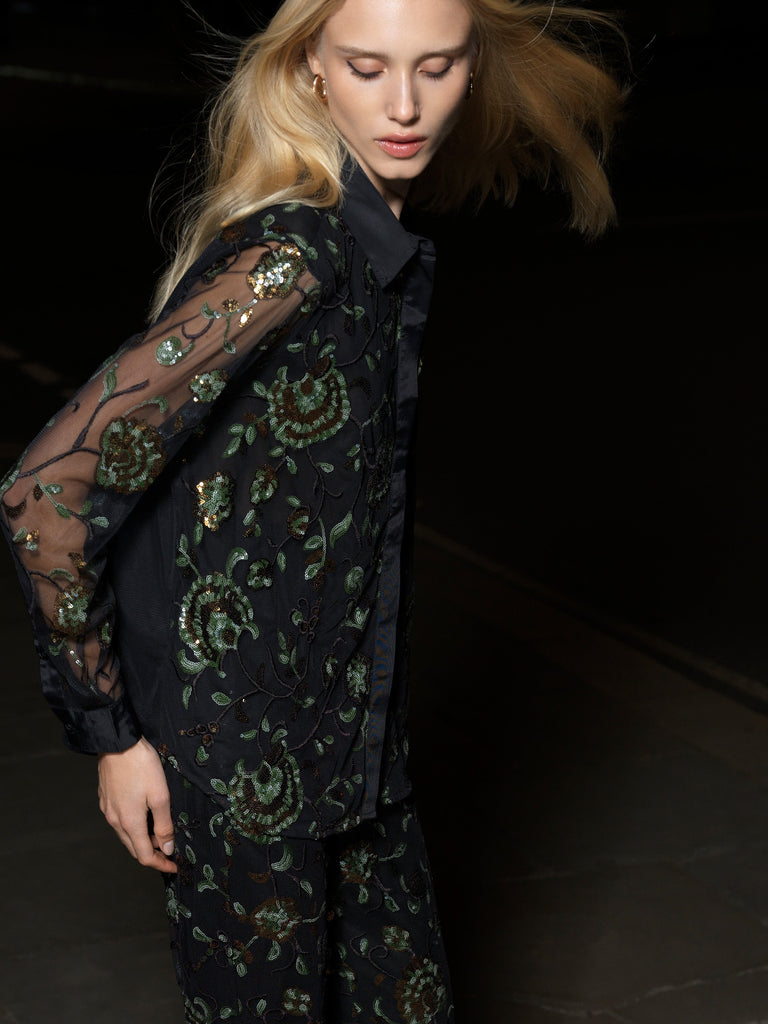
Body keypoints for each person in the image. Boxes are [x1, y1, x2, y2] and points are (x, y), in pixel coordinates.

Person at [0, 0, 623, 1019]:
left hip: (359, 754)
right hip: (245, 780)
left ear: (473, 68)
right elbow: (47, 488)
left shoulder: (374, 243)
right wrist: (114, 736)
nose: (405, 105)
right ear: (310, 69)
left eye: (437, 66)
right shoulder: (292, 255)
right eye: (369, 67)